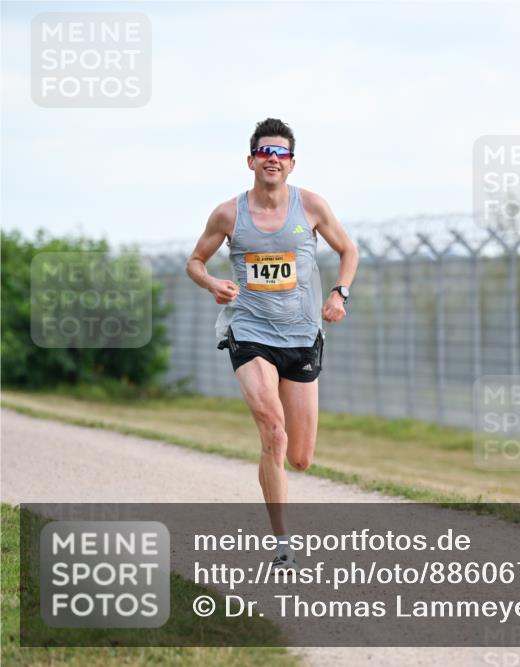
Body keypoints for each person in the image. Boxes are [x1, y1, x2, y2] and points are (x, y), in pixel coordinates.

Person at [186, 118, 359, 568]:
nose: (272, 159)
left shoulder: (312, 207)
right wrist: (212, 283)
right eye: (265, 152)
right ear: (251, 160)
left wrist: (340, 293)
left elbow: (348, 250)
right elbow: (195, 261)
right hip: (250, 332)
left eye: (281, 153)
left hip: (301, 335)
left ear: (292, 164)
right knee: (273, 431)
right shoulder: (229, 214)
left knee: (299, 457)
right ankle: (283, 544)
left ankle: (275, 472)